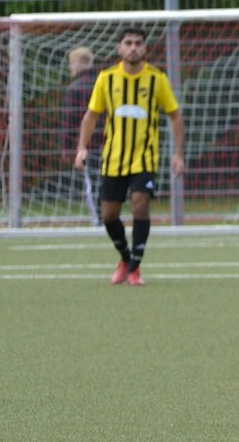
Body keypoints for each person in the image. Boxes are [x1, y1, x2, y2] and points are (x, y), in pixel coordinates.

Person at [74, 28, 185, 286]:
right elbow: (91, 115)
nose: (133, 47)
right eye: (128, 43)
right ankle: (125, 258)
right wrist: (82, 147)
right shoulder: (107, 78)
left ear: (145, 49)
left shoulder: (157, 79)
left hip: (145, 158)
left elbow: (175, 115)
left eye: (138, 43)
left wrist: (178, 154)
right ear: (119, 49)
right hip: (113, 158)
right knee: (109, 215)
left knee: (140, 204)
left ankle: (135, 267)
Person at [62, 46, 101, 225]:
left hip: (89, 145)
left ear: (78, 63)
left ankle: (99, 221)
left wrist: (68, 147)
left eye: (71, 64)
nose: (70, 68)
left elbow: (70, 120)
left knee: (93, 184)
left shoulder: (75, 88)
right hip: (112, 142)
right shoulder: (103, 83)